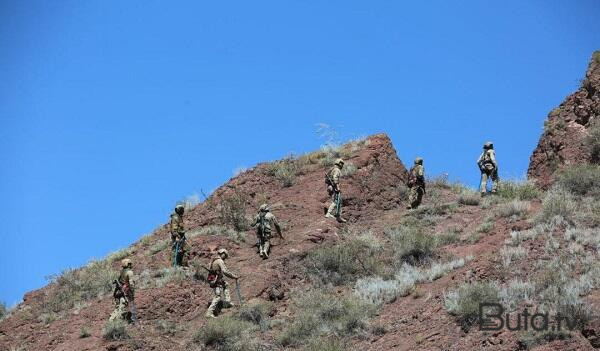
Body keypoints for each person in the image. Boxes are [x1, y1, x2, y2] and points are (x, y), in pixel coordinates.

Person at [205, 248, 240, 318]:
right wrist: (233, 276)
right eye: (225, 255)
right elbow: (225, 271)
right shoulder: (220, 261)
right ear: (222, 254)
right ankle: (209, 313)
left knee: (225, 285)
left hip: (216, 279)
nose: (225, 258)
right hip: (216, 280)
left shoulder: (214, 260)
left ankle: (227, 302)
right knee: (218, 297)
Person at [110, 258, 136, 323]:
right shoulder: (129, 272)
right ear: (127, 264)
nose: (131, 265)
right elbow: (131, 283)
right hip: (124, 292)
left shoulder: (122, 271)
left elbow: (119, 281)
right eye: (129, 263)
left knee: (119, 307)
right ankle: (113, 321)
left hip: (118, 292)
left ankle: (113, 319)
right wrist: (132, 292)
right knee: (121, 307)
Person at [325, 158, 347, 223]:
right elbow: (335, 178)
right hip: (334, 187)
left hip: (330, 187)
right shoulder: (337, 170)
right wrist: (337, 187)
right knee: (336, 201)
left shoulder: (332, 169)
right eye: (341, 163)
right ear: (339, 163)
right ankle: (329, 214)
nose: (342, 165)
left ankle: (338, 216)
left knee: (338, 201)